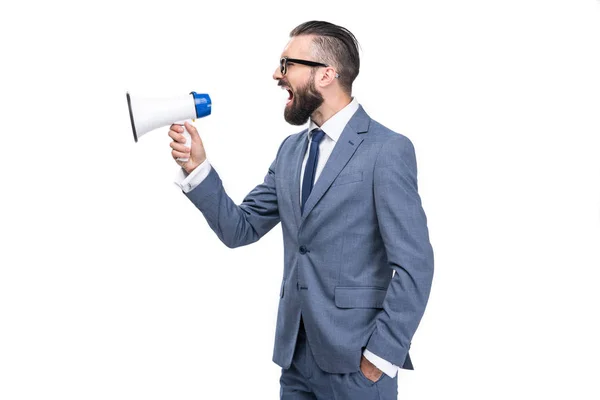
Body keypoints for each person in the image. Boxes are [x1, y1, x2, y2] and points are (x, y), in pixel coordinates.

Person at [169, 20, 434, 400]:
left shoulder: (386, 150)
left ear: (326, 74)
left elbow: (415, 263)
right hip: (295, 360)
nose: (277, 75)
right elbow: (239, 229)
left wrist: (381, 354)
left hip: (357, 364)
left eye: (286, 63)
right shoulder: (290, 151)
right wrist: (198, 169)